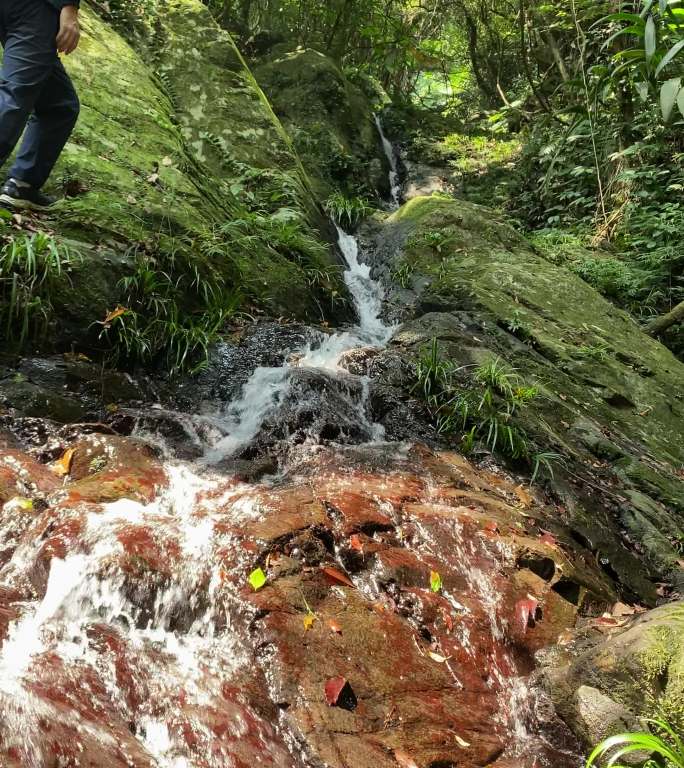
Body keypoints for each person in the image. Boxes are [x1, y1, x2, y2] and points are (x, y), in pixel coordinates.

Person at [0, 0, 81, 210]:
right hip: (36, 7)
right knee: (15, 96)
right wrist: (70, 7)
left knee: (60, 105)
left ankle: (22, 185)